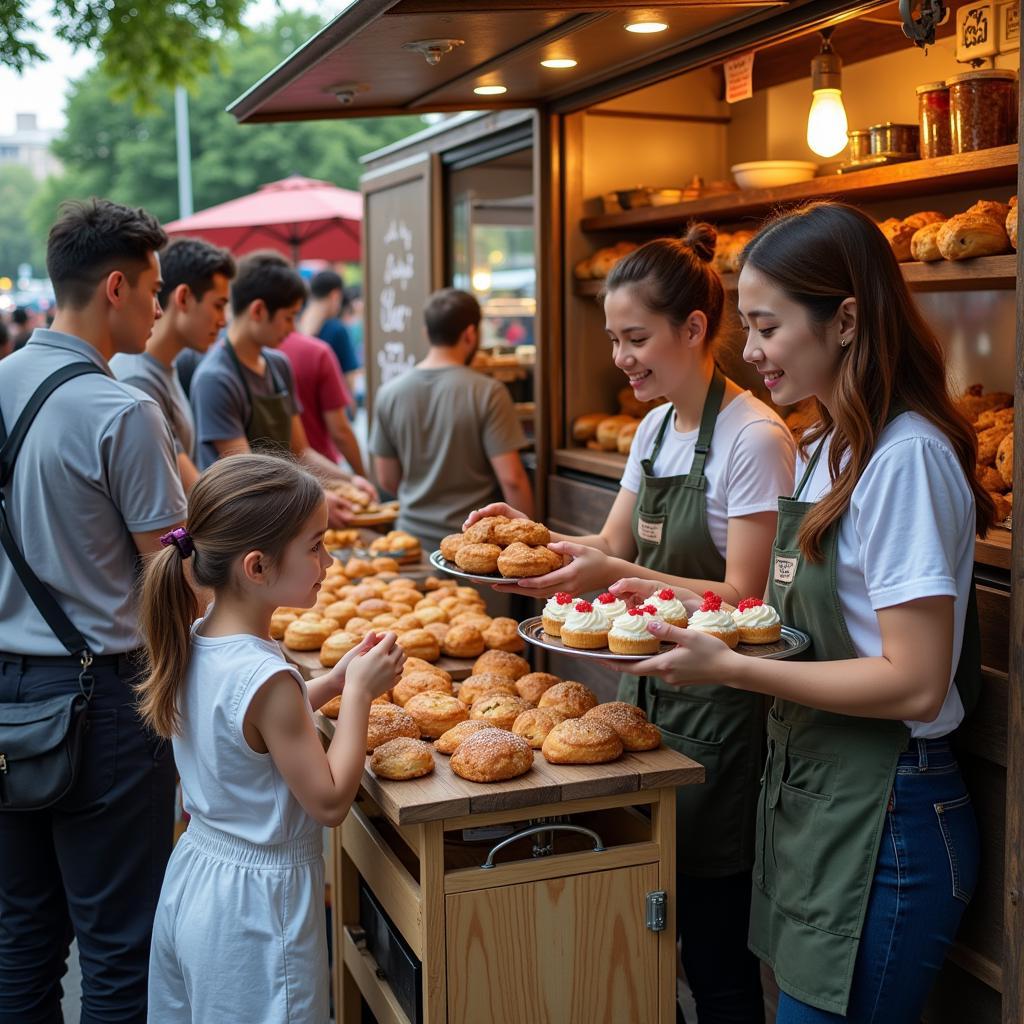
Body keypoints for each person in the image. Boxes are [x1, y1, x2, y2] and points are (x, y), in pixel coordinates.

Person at [623, 202, 992, 1023]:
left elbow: (916, 683)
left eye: (766, 326)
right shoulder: (827, 445)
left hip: (888, 813)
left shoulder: (908, 459)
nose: (747, 351)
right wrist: (666, 601)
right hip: (815, 799)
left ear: (848, 319)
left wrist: (732, 668)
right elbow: (774, 612)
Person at [467, 226, 795, 1024]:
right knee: (648, 934)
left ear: (693, 329)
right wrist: (532, 533)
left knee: (715, 955)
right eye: (614, 339)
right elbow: (612, 547)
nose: (621, 357)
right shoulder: (652, 430)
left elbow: (742, 598)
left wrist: (616, 574)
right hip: (642, 704)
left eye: (637, 338)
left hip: (721, 715)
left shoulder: (755, 438)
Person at [0, 198, 186, 1022]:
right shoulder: (121, 411)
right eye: (152, 288)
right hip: (104, 708)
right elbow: (170, 575)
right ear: (115, 286)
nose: (157, 306)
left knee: (20, 937)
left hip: (6, 698)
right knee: (119, 946)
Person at [139, 454, 404, 1022]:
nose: (328, 561)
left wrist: (329, 682)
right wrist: (356, 694)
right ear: (256, 567)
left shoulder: (199, 637)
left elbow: (246, 731)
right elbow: (329, 800)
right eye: (314, 546)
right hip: (258, 914)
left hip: (196, 877)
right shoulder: (268, 679)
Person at [189, 251, 374, 524]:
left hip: (285, 514)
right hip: (242, 522)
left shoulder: (278, 365)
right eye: (289, 317)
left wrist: (350, 480)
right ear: (258, 310)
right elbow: (247, 472)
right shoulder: (215, 378)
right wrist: (318, 497)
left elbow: (300, 452)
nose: (293, 328)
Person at [370, 287, 534, 551]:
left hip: (411, 543)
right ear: (471, 334)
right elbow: (512, 479)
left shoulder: (389, 393)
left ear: (427, 333)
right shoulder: (488, 392)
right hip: (474, 548)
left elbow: (387, 479)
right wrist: (525, 541)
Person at [111, 236, 236, 491]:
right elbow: (196, 494)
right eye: (218, 305)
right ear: (184, 297)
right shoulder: (140, 381)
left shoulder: (162, 367)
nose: (223, 321)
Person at [278, 329, 367, 475]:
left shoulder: (269, 357)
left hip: (283, 477)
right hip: (321, 472)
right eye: (289, 317)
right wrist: (361, 476)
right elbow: (340, 431)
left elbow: (302, 450)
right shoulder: (316, 352)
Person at [298, 269, 360, 397]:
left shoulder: (295, 323)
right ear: (335, 295)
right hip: (332, 405)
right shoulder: (337, 329)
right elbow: (349, 379)